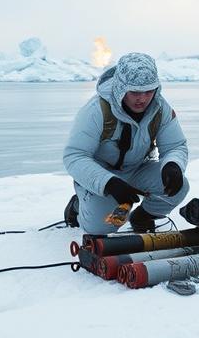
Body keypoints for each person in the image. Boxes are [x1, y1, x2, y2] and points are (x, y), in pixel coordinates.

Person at [62, 52, 189, 234]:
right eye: (135, 92)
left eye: (149, 91)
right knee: (102, 227)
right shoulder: (96, 110)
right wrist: (108, 183)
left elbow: (175, 146)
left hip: (137, 170)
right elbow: (74, 156)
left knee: (179, 186)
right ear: (121, 88)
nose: (142, 99)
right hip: (101, 174)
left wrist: (173, 165)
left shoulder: (161, 109)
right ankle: (77, 205)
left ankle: (142, 217)